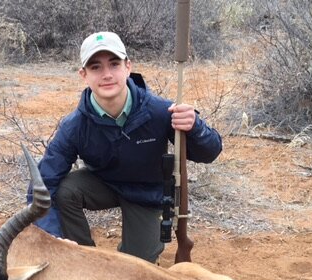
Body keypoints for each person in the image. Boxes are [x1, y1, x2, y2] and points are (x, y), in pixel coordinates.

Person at [32, 31, 222, 263]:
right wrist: (52, 235)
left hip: (146, 193)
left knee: (136, 265)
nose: (107, 74)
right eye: (96, 67)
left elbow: (211, 152)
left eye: (114, 64)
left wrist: (195, 127)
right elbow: (42, 184)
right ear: (84, 75)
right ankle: (84, 259)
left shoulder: (160, 111)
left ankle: (133, 256)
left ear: (128, 67)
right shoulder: (74, 126)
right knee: (65, 190)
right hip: (104, 183)